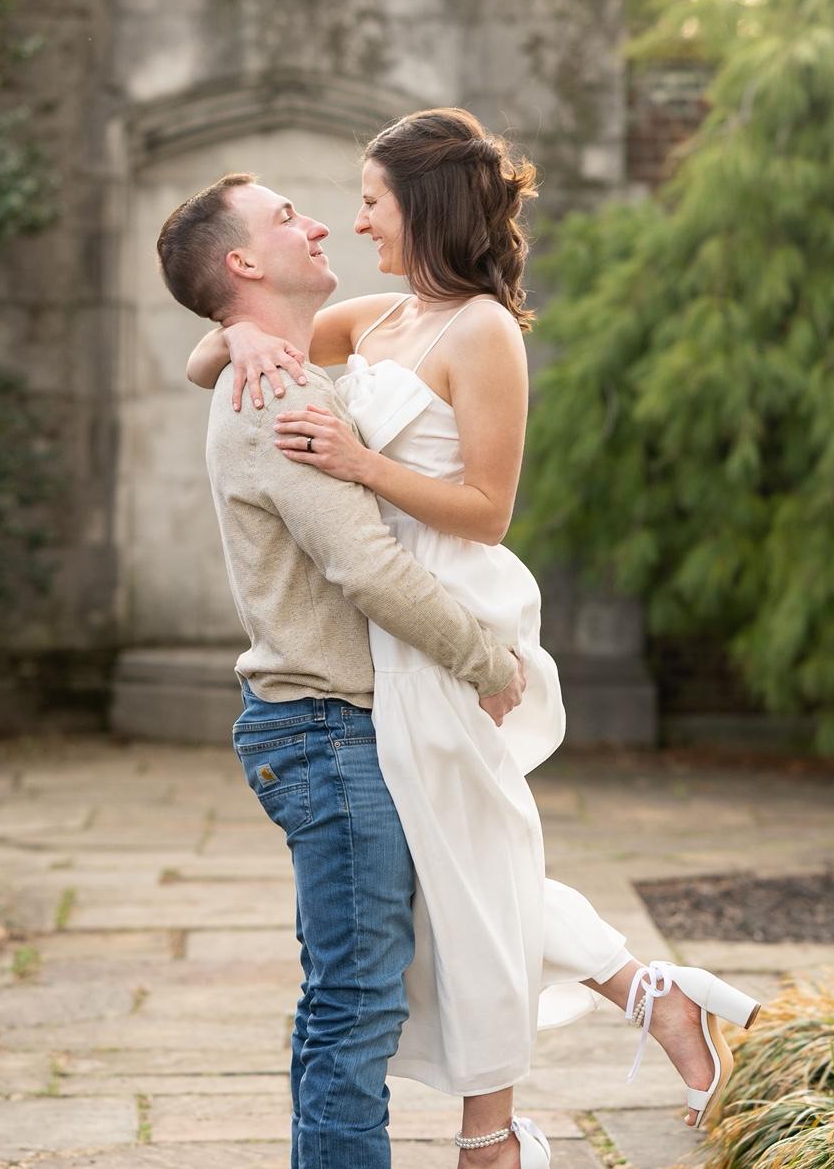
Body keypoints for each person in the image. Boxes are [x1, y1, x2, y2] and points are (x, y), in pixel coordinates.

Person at [184, 110, 762, 1168]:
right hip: (392, 622)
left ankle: (492, 1134)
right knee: (465, 873)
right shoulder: (378, 317)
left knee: (471, 870)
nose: (357, 220)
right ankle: (646, 996)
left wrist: (361, 466)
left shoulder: (483, 331)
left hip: (447, 609)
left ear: (424, 204)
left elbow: (488, 511)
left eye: (371, 201)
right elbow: (205, 348)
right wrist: (246, 335)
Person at [157, 171, 533, 1169]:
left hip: (340, 722)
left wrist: (238, 334)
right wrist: (486, 660)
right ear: (245, 261)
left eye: (364, 199)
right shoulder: (281, 392)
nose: (328, 221)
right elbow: (364, 564)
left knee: (368, 983)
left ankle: (629, 1007)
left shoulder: (288, 365)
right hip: (327, 728)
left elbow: (212, 336)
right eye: (289, 216)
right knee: (355, 1004)